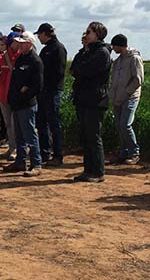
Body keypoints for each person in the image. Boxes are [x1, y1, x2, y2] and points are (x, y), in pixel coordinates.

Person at [68, 22, 112, 183]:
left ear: (97, 34)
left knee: (94, 136)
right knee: (86, 137)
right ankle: (88, 170)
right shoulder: (88, 51)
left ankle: (98, 172)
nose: (86, 35)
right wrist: (79, 69)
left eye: (89, 32)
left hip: (95, 99)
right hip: (83, 98)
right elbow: (74, 68)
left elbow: (84, 71)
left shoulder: (102, 53)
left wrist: (79, 70)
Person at [1, 31, 44, 177]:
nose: (19, 44)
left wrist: (25, 92)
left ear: (29, 44)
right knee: (19, 135)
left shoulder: (35, 61)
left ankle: (36, 164)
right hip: (16, 103)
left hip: (27, 104)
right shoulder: (20, 58)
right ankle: (20, 162)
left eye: (22, 42)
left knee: (30, 135)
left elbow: (37, 86)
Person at [36, 23, 68, 166]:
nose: (38, 38)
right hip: (43, 92)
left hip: (53, 91)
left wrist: (47, 84)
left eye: (39, 35)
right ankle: (44, 153)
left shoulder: (58, 48)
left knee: (54, 124)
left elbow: (59, 72)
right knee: (41, 123)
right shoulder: (46, 50)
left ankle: (58, 155)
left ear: (45, 34)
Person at [109, 33, 144, 165]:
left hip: (130, 97)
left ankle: (134, 152)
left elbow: (138, 79)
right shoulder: (117, 62)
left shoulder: (134, 58)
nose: (113, 48)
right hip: (117, 98)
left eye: (114, 45)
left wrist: (125, 94)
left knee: (125, 125)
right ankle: (123, 153)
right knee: (119, 126)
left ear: (120, 45)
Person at [0, 34, 20, 159]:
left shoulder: (22, 57)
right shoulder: (2, 57)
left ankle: (17, 150)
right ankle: (12, 148)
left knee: (15, 124)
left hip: (16, 96)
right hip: (3, 94)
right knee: (8, 123)